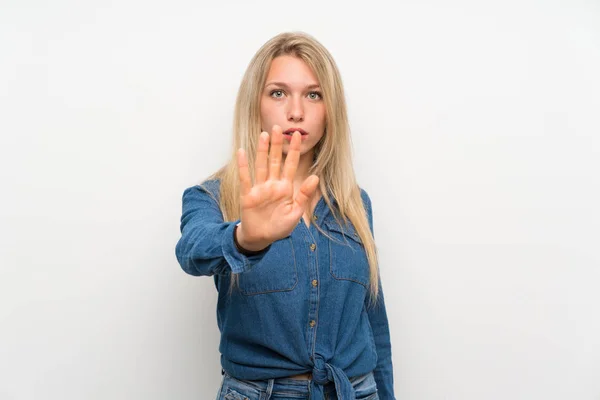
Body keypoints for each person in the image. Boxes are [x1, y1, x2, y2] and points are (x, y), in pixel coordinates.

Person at [175, 31, 395, 400]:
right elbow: (192, 251)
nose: (297, 110)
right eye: (278, 92)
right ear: (255, 104)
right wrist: (245, 238)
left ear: (330, 109)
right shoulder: (213, 197)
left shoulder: (355, 203)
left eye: (314, 94)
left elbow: (374, 325)